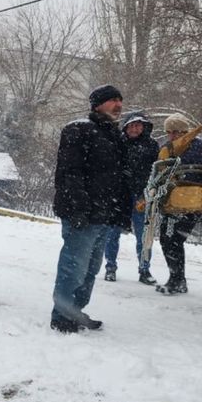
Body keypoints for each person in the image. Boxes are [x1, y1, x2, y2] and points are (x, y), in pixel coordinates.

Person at [50, 85, 131, 333]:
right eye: (112, 100)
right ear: (97, 104)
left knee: (91, 269)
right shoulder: (79, 129)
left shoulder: (115, 135)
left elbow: (119, 178)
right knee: (74, 266)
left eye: (120, 100)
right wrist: (78, 208)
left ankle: (76, 311)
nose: (118, 105)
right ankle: (62, 316)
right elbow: (69, 173)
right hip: (82, 214)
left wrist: (120, 212)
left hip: (104, 216)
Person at [155, 113, 202, 295]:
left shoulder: (201, 147)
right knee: (168, 238)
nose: (172, 135)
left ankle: (177, 280)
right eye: (169, 132)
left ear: (184, 131)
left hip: (191, 200)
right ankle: (177, 279)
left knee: (173, 239)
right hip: (173, 201)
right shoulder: (169, 148)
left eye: (175, 131)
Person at [102, 111, 160, 285]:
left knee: (144, 235)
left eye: (138, 125)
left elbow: (156, 170)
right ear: (126, 127)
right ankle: (110, 267)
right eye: (132, 125)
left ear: (144, 127)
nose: (135, 128)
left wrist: (149, 188)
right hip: (119, 196)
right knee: (112, 234)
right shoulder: (117, 143)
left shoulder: (151, 146)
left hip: (141, 196)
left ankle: (144, 269)